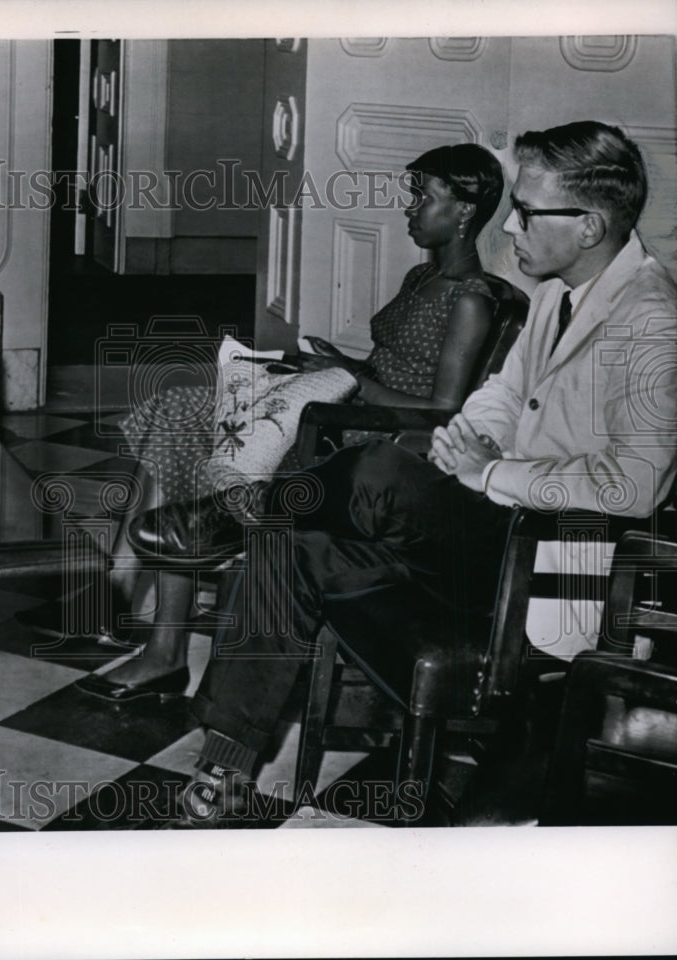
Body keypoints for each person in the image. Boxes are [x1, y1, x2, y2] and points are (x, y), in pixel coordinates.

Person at [170, 120, 677, 827]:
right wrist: (468, 438)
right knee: (292, 541)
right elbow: (500, 396)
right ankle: (224, 768)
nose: (513, 226)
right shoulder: (560, 293)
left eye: (529, 212)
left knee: (375, 470)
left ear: (589, 225)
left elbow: (639, 482)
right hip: (487, 544)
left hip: (548, 571)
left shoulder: (649, 317)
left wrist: (491, 473)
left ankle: (229, 510)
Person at [41, 142, 507, 702]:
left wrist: (349, 377)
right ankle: (122, 603)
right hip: (345, 404)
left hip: (368, 440)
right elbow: (388, 365)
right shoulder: (418, 278)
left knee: (187, 432)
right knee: (177, 410)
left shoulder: (470, 299)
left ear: (464, 211)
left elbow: (441, 410)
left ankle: (149, 635)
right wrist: (335, 363)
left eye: (422, 197)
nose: (408, 208)